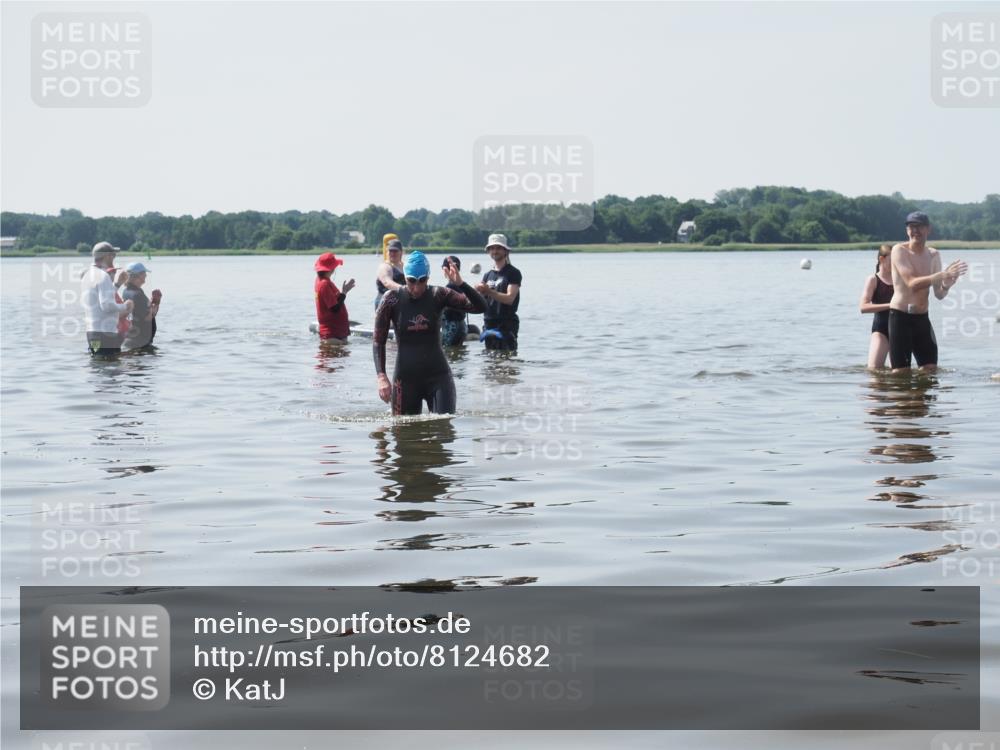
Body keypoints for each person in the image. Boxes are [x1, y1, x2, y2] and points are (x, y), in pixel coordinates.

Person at [373, 250, 486, 415]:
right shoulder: (391, 299)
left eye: (422, 281)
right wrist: (381, 376)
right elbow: (378, 341)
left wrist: (461, 284)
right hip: (405, 379)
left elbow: (481, 307)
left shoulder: (438, 294)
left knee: (444, 431)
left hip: (438, 377)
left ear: (428, 277)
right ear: (405, 277)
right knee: (403, 435)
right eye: (411, 281)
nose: (417, 287)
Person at [888, 211, 967, 372]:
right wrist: (940, 275)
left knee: (930, 369)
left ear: (928, 229)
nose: (915, 230)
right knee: (901, 373)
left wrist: (947, 284)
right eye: (911, 226)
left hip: (922, 319)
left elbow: (938, 294)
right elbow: (911, 283)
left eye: (919, 227)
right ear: (907, 230)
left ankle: (921, 397)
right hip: (900, 317)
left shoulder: (934, 254)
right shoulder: (899, 251)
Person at [81, 241, 133, 356]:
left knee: (97, 363)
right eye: (113, 255)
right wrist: (126, 306)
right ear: (107, 256)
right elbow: (107, 305)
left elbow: (100, 299)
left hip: (92, 334)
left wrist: (117, 284)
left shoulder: (88, 275)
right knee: (112, 369)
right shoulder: (103, 276)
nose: (114, 258)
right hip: (106, 335)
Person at [475, 233, 522, 351]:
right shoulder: (487, 275)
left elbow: (510, 298)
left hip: (506, 324)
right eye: (492, 248)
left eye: (498, 248)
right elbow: (482, 300)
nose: (495, 251)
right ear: (488, 251)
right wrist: (476, 292)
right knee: (490, 364)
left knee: (507, 362)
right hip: (489, 324)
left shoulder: (513, 272)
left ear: (506, 251)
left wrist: (488, 291)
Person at [859, 244, 894, 369]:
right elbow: (863, 307)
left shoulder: (900, 280)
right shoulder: (873, 280)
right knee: (874, 371)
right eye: (892, 260)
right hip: (881, 330)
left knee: (898, 375)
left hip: (900, 330)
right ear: (882, 259)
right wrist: (891, 305)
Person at [314, 252, 355, 342]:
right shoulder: (324, 284)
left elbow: (333, 302)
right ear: (332, 269)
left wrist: (344, 292)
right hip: (332, 334)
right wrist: (344, 293)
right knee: (333, 355)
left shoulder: (322, 281)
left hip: (337, 332)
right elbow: (334, 308)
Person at [121, 262, 160, 352]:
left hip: (130, 339)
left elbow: (140, 311)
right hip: (140, 342)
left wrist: (153, 303)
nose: (146, 276)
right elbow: (148, 317)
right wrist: (156, 302)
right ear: (139, 275)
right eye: (144, 273)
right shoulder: (138, 294)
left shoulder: (126, 291)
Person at [440, 255, 471, 346]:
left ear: (444, 269)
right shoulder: (463, 287)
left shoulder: (448, 288)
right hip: (462, 326)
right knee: (459, 354)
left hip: (451, 327)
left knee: (448, 353)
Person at [375, 238, 406, 310]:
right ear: (387, 252)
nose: (392, 253)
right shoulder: (384, 266)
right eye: (390, 251)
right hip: (384, 302)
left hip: (401, 301)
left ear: (401, 252)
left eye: (395, 251)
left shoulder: (406, 266)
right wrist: (406, 290)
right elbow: (387, 283)